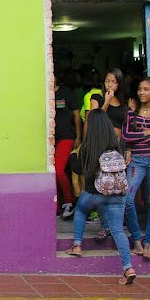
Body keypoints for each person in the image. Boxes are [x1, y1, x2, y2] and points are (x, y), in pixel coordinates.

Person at [64, 110, 136, 284]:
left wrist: (74, 155)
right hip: (117, 195)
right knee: (118, 230)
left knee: (81, 209)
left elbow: (78, 170)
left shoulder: (89, 146)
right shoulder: (117, 144)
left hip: (95, 194)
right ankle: (128, 267)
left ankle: (77, 244)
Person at [121, 77, 150, 260]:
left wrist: (137, 138)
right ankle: (136, 238)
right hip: (137, 160)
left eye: (146, 89)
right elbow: (126, 135)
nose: (142, 92)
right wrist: (144, 132)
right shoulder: (133, 111)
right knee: (128, 199)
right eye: (140, 89)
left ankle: (149, 242)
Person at [88, 69, 126, 242]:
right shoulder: (97, 98)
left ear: (119, 84)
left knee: (119, 186)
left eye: (113, 81)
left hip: (119, 146)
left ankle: (117, 224)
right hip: (102, 146)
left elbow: (127, 126)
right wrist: (107, 101)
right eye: (107, 81)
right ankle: (105, 226)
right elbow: (95, 118)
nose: (109, 84)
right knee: (103, 185)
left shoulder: (124, 101)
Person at [53, 72, 82, 220]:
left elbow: (77, 115)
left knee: (58, 171)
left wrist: (78, 136)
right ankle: (56, 206)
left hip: (66, 136)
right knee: (52, 173)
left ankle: (69, 202)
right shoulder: (44, 93)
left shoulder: (66, 93)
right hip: (50, 140)